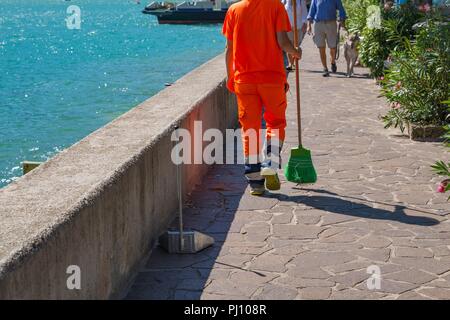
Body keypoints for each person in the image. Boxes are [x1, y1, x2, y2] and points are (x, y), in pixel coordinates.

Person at [223, 0, 301, 196]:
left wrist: (230, 76)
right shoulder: (276, 7)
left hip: (244, 79)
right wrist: (296, 51)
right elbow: (283, 42)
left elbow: (229, 48)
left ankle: (255, 182)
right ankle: (271, 163)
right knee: (275, 123)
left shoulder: (234, 10)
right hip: (272, 79)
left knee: (250, 129)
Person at [306, 0, 347, 76]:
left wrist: (342, 20)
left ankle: (333, 61)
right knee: (321, 47)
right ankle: (325, 68)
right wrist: (309, 26)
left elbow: (341, 9)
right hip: (318, 24)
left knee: (333, 47)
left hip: (331, 24)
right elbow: (311, 12)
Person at [282, 0, 308, 71]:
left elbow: (304, 12)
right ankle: (291, 63)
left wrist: (304, 23)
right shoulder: (285, 1)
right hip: (288, 26)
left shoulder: (300, 1)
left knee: (296, 45)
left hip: (298, 27)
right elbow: (281, 10)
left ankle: (296, 58)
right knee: (289, 44)